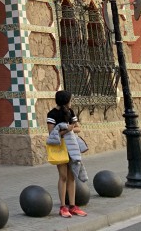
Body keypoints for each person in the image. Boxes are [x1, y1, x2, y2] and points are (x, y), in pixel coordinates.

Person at [46, 90, 88, 219]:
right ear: (66, 100)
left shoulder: (71, 112)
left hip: (72, 147)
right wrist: (66, 130)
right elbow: (52, 134)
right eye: (70, 99)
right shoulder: (51, 114)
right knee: (63, 176)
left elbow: (78, 128)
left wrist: (70, 129)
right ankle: (63, 207)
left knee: (72, 177)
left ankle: (73, 206)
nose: (71, 102)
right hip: (60, 148)